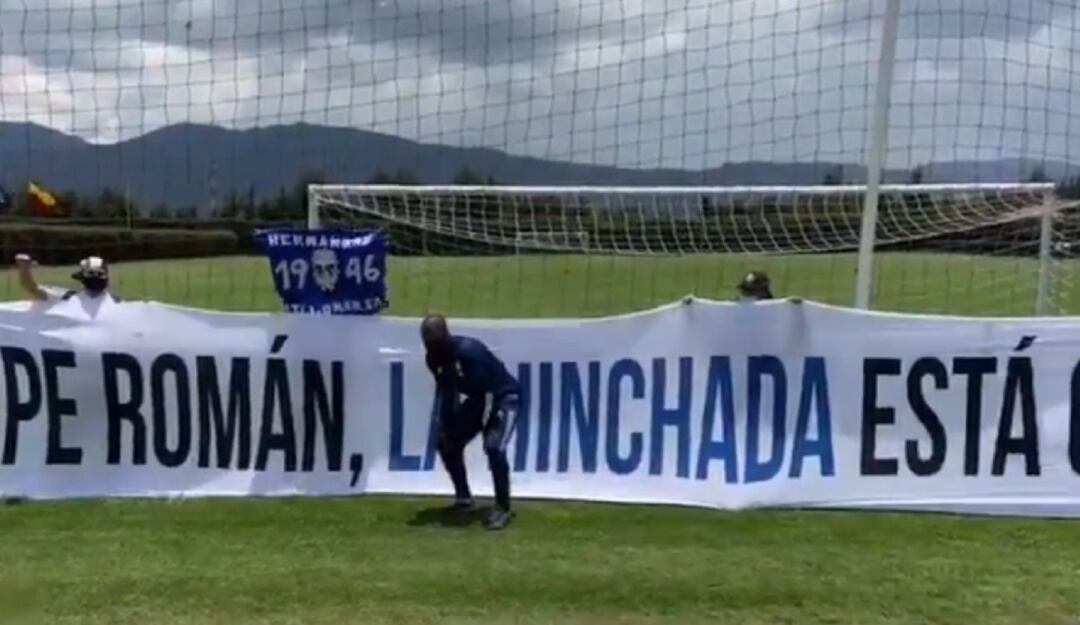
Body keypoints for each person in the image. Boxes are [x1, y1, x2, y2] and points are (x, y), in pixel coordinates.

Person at [422, 313, 520, 531]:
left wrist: (485, 425)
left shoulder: (469, 351)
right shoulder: (433, 359)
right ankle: (464, 498)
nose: (431, 347)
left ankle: (503, 507)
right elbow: (446, 391)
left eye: (435, 341)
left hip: (503, 397)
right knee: (446, 442)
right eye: (427, 342)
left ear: (445, 336)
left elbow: (487, 390)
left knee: (494, 447)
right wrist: (446, 421)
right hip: (479, 399)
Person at [15, 254, 121, 308]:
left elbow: (31, 288)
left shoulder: (67, 297)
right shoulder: (117, 302)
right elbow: (32, 288)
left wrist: (24, 268)